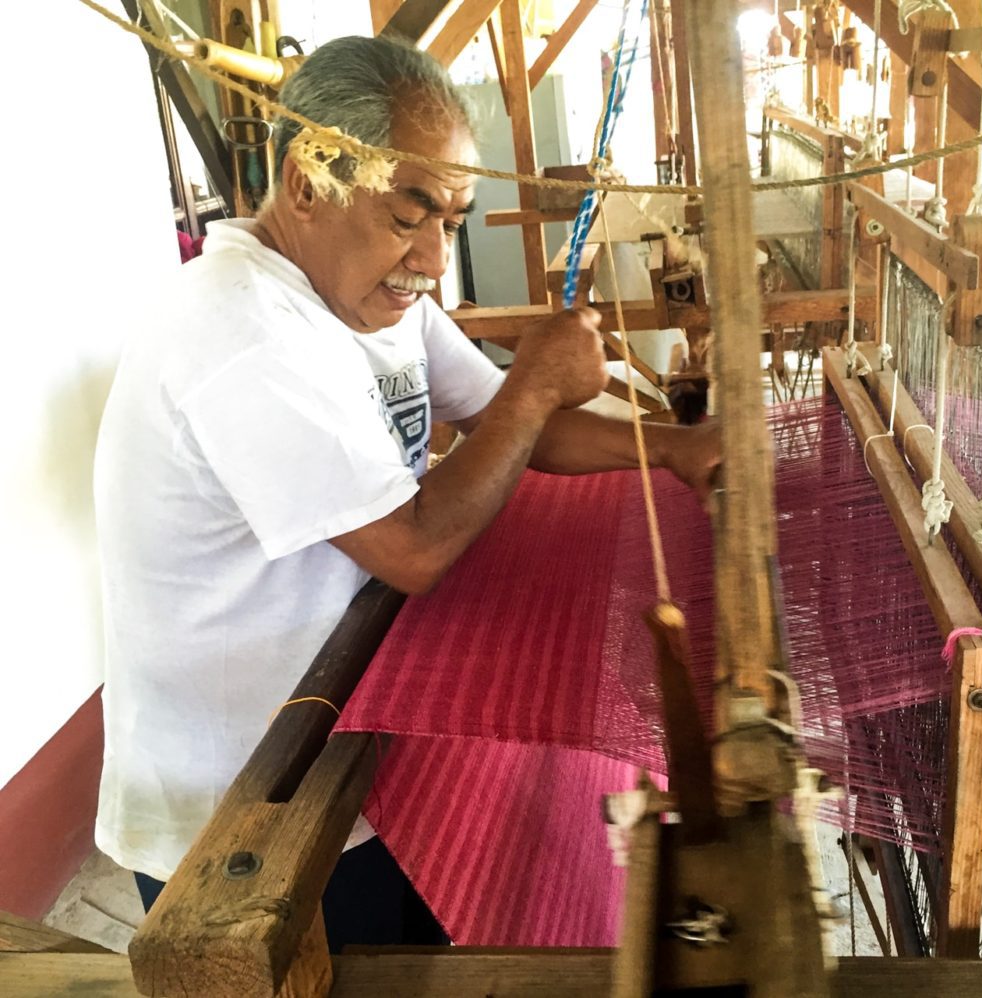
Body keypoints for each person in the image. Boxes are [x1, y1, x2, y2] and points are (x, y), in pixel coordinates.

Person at [93, 36, 719, 951]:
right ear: (308, 182)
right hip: (241, 802)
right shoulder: (240, 330)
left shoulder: (375, 302)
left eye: (452, 221)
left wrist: (673, 449)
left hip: (354, 732)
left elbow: (508, 421)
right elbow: (415, 547)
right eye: (407, 214)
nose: (431, 257)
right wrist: (538, 381)